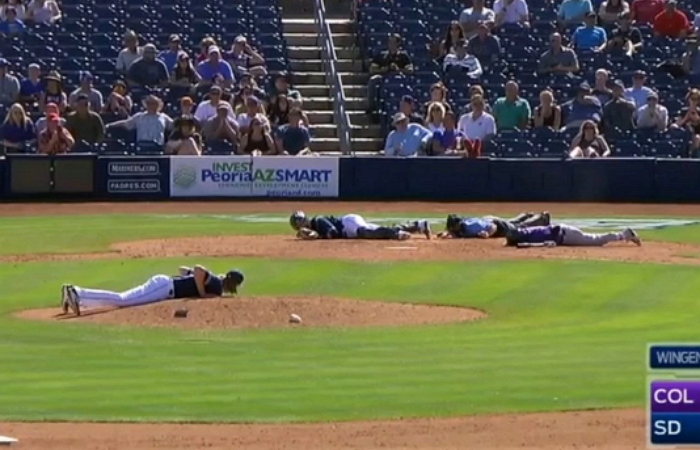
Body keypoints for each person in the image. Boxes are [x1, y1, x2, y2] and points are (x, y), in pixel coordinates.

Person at [60, 266, 245, 316]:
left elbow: (183, 269)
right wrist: (202, 293)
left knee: (123, 300)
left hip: (164, 284)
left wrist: (194, 284)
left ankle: (76, 297)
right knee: (123, 300)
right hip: (164, 287)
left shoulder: (214, 281)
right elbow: (198, 269)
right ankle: (76, 292)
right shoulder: (215, 283)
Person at [289, 211, 429, 240]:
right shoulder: (314, 227)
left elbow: (333, 233)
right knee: (375, 230)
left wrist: (315, 236)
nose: (302, 226)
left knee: (364, 232)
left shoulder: (318, 220)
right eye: (298, 225)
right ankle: (418, 225)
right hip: (348, 231)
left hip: (348, 223)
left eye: (301, 222)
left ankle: (396, 235)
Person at [366, 34, 413, 117]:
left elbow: (410, 70)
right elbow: (372, 69)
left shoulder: (404, 56)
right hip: (383, 77)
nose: (391, 44)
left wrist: (398, 69)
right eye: (389, 42)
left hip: (399, 79)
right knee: (373, 79)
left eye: (393, 42)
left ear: (398, 44)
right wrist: (385, 69)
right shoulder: (381, 56)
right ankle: (371, 106)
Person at [106, 95, 172, 146]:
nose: (151, 105)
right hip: (141, 146)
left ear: (158, 105)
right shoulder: (139, 116)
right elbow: (125, 123)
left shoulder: (164, 117)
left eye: (153, 103)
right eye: (149, 103)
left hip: (158, 147)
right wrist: (110, 125)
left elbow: (174, 125)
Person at [504, 224, 641, 247]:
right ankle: (623, 234)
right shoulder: (528, 232)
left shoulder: (530, 235)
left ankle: (625, 234)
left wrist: (528, 245)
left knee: (595, 240)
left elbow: (549, 242)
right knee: (595, 240)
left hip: (567, 234)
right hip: (565, 232)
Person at [436, 212, 551, 239]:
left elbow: (492, 227)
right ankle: (524, 215)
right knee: (512, 223)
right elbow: (455, 233)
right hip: (488, 219)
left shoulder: (471, 226)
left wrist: (487, 234)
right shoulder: (460, 227)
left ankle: (541, 217)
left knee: (519, 228)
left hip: (495, 224)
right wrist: (446, 234)